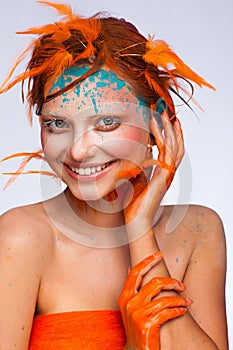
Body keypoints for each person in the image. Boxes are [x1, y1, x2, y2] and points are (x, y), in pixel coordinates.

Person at [0, 1, 228, 349]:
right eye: (56, 124)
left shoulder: (197, 233)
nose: (77, 151)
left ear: (159, 122)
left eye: (106, 122)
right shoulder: (21, 238)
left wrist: (139, 229)